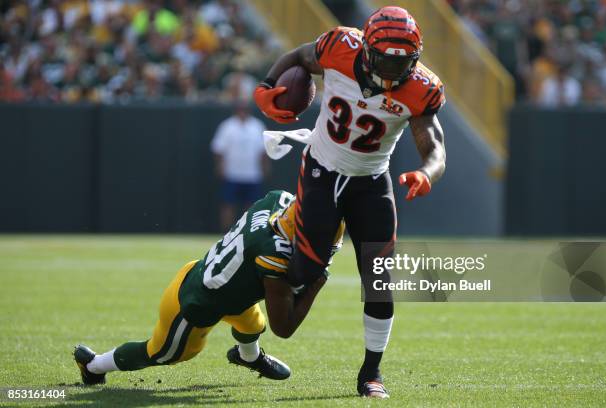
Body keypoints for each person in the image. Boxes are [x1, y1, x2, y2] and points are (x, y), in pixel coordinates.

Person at [253, 6, 447, 399]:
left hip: (371, 183)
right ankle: (263, 259)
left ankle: (371, 373)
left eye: (403, 63)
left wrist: (427, 173)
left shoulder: (421, 88)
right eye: (385, 61)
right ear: (366, 47)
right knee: (303, 271)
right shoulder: (341, 45)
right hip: (321, 173)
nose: (393, 73)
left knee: (379, 283)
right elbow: (299, 56)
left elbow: (436, 147)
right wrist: (267, 83)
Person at [74, 190, 344, 385]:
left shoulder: (278, 199)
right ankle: (94, 365)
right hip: (196, 301)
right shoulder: (272, 254)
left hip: (221, 283)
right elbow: (284, 328)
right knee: (161, 353)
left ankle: (248, 357)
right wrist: (315, 285)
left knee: (251, 323)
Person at [211, 101, 268, 231]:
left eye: (245, 109)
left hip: (252, 174)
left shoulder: (257, 126)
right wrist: (220, 166)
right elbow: (218, 149)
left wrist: (264, 167)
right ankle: (225, 234)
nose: (242, 111)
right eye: (240, 109)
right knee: (228, 205)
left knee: (252, 207)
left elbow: (263, 151)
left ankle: (249, 233)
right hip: (232, 173)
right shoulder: (227, 126)